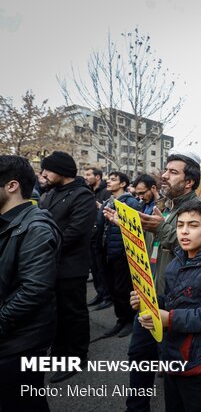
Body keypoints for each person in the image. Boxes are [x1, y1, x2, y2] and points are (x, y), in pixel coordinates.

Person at [105, 151, 201, 412]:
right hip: (149, 296)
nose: (164, 175)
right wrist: (126, 225)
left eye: (173, 172)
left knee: (173, 365)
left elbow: (193, 248)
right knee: (139, 355)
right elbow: (151, 247)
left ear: (189, 182)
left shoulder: (197, 209)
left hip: (176, 302)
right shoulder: (164, 207)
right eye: (166, 170)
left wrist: (159, 227)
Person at [133, 200, 201, 412]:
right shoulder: (176, 262)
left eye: (193, 225)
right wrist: (147, 302)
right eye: (180, 225)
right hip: (174, 360)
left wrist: (169, 319)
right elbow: (172, 301)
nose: (184, 232)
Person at [0, 155, 62, 412]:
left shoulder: (35, 228)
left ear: (12, 186)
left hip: (20, 342)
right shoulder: (9, 222)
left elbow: (34, 290)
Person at [39, 151, 97, 383]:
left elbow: (75, 232)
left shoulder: (82, 196)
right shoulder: (50, 193)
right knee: (56, 311)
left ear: (62, 171)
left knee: (73, 312)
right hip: (50, 264)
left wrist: (41, 245)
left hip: (71, 267)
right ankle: (60, 350)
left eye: (47, 169)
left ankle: (77, 356)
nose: (43, 174)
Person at [98, 171, 142, 337]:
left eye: (113, 179)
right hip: (107, 251)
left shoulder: (130, 202)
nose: (109, 182)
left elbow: (134, 230)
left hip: (122, 254)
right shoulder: (109, 201)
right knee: (113, 288)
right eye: (108, 179)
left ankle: (130, 320)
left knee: (123, 289)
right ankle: (121, 320)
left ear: (123, 184)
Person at [84, 166, 113, 310]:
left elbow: (110, 212)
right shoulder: (90, 191)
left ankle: (107, 296)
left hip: (101, 235)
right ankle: (100, 293)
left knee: (102, 268)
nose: (86, 177)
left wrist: (99, 207)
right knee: (94, 268)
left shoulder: (107, 192)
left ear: (98, 177)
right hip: (91, 234)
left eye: (89, 174)